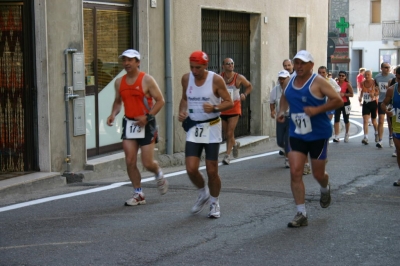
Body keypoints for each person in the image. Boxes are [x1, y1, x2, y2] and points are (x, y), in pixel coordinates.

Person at [277, 50, 343, 227]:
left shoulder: (318, 82)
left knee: (318, 174)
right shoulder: (289, 81)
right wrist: (282, 111)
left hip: (318, 134)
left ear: (311, 65)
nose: (298, 66)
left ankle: (324, 187)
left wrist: (317, 110)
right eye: (296, 62)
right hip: (297, 132)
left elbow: (338, 100)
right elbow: (285, 97)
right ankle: (301, 213)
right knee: (295, 171)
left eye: (302, 63)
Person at [106, 49, 168, 206]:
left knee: (147, 163)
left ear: (138, 62)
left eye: (130, 60)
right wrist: (113, 114)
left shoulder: (147, 80)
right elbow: (118, 101)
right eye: (124, 60)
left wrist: (148, 117)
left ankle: (158, 173)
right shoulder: (119, 82)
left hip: (147, 124)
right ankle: (138, 193)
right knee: (130, 160)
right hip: (130, 124)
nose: (126, 63)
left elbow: (160, 100)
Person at [178, 51, 233, 218]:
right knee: (191, 168)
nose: (194, 71)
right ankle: (203, 193)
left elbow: (229, 102)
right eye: (192, 67)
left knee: (212, 170)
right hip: (194, 127)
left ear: (205, 66)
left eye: (198, 68)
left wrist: (215, 108)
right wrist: (182, 111)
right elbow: (184, 99)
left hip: (212, 127)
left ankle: (214, 202)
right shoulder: (186, 79)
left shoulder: (215, 80)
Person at [220, 58, 253, 165]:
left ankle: (227, 156)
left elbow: (249, 86)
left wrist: (245, 94)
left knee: (230, 132)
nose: (230, 65)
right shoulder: (219, 78)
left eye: (232, 63)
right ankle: (235, 144)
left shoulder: (238, 77)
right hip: (223, 108)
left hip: (235, 107)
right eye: (228, 64)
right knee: (227, 134)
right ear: (223, 66)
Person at [283, 59, 311, 175]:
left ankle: (306, 164)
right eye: (285, 65)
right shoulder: (286, 79)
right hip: (291, 113)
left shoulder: (308, 79)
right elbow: (283, 96)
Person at [380, 66, 400, 186]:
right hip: (397, 124)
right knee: (399, 150)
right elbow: (383, 104)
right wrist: (386, 110)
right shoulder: (392, 90)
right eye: (398, 78)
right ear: (396, 76)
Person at [270, 70, 291, 168]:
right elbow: (272, 102)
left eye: (284, 78)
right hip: (281, 118)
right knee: (279, 141)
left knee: (287, 139)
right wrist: (272, 111)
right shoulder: (276, 89)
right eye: (280, 78)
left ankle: (288, 158)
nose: (282, 81)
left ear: (288, 78)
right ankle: (288, 150)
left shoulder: (292, 89)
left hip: (291, 117)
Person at [375, 62, 396, 148]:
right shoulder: (377, 77)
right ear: (382, 68)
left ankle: (391, 136)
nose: (387, 69)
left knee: (390, 121)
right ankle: (380, 140)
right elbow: (375, 88)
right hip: (381, 100)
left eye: (388, 67)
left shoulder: (393, 77)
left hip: (390, 101)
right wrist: (375, 91)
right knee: (380, 120)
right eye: (386, 67)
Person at [332, 71, 354, 143]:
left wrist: (344, 94)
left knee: (346, 119)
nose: (341, 77)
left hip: (346, 103)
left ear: (345, 77)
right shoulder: (336, 83)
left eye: (343, 76)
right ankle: (337, 136)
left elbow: (352, 94)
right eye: (340, 75)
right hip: (337, 103)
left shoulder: (347, 84)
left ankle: (347, 133)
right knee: (336, 119)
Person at [359, 70, 379, 145]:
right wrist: (360, 97)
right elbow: (362, 91)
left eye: (368, 75)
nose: (367, 76)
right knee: (365, 120)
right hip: (366, 103)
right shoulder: (363, 83)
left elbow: (378, 92)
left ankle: (376, 133)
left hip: (373, 103)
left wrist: (374, 94)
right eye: (365, 75)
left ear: (371, 75)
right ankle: (366, 137)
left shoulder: (374, 82)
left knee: (374, 121)